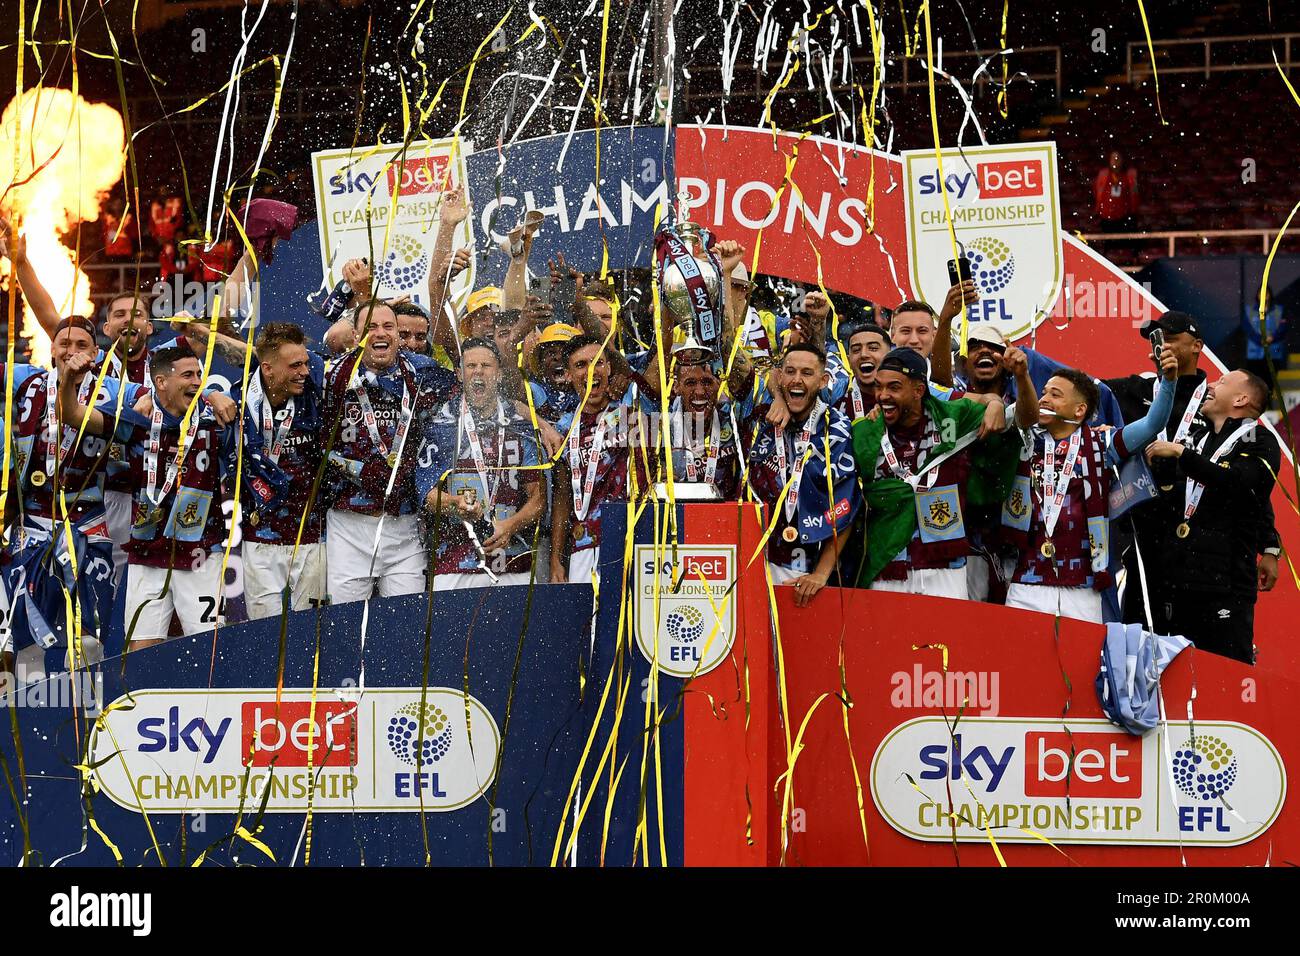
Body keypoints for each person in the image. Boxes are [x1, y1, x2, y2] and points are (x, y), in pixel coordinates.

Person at [58, 346, 283, 649]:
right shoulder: (138, 422)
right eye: (188, 375)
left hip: (201, 553)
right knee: (141, 651)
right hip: (147, 553)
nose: (196, 381)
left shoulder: (215, 421)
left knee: (209, 649)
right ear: (161, 382)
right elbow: (71, 415)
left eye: (199, 375)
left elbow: (261, 383)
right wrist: (69, 378)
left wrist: (215, 397)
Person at [1, 318, 148, 677]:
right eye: (64, 343)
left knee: (89, 637)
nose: (72, 351)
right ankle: (12, 719)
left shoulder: (116, 389)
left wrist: (212, 394)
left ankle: (87, 711)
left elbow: (162, 396)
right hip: (30, 522)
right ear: (51, 349)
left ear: (96, 353)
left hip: (86, 522)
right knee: (14, 638)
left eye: (82, 345)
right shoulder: (27, 379)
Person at [1000, 347, 1177, 622]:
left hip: (1081, 588)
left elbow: (1152, 423)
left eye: (1055, 395)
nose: (1045, 399)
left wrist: (1168, 381)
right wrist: (1021, 377)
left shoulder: (1101, 445)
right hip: (1025, 582)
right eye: (1044, 392)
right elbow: (1020, 413)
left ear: (1080, 409)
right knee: (1022, 664)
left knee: (1079, 665)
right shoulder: (1024, 437)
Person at [851, 348, 1019, 599]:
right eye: (879, 387)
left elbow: (1023, 418)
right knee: (888, 639)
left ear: (919, 390)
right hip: (888, 565)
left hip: (945, 565)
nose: (883, 395)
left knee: (947, 638)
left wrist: (995, 402)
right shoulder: (865, 432)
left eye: (894, 388)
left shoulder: (951, 417)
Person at [320, 301, 458, 604]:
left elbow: (474, 387)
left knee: (405, 625)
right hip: (348, 525)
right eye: (370, 327)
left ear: (397, 333)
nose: (380, 333)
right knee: (346, 624)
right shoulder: (332, 377)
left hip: (404, 524)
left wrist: (533, 417)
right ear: (355, 335)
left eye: (388, 326)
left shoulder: (424, 374)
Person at [1139, 370, 1279, 663]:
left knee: (1223, 679)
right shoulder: (1199, 437)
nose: (1211, 386)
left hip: (1224, 586)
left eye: (1222, 383)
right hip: (1178, 581)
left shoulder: (1261, 439)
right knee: (1176, 682)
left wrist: (1181, 455)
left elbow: (1245, 487)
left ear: (1241, 399)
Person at [417, 339, 544, 589]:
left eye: (486, 365)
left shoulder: (520, 425)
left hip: (514, 562)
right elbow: (426, 494)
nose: (478, 371)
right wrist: (455, 504)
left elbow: (539, 498)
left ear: (499, 374)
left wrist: (510, 525)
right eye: (471, 365)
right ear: (459, 373)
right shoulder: (441, 424)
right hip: (454, 565)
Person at [745, 343, 860, 604]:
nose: (797, 379)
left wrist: (819, 574)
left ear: (822, 381)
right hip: (755, 565)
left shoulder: (836, 429)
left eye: (807, 373)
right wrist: (775, 396)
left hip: (812, 570)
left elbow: (845, 507)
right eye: (790, 371)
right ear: (780, 376)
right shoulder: (760, 418)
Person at [234, 323, 329, 618]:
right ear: (268, 369)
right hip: (260, 538)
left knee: (313, 630)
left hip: (311, 536)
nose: (304, 371)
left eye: (305, 363)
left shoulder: (314, 394)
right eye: (295, 365)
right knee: (265, 633)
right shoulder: (238, 404)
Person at [551, 334, 642, 584]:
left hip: (628, 542)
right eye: (581, 365)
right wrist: (556, 559)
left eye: (598, 363)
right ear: (568, 374)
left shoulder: (631, 416)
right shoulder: (563, 429)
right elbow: (562, 496)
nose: (591, 371)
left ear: (609, 367)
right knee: (588, 623)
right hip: (582, 547)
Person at [833, 322, 889, 422]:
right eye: (856, 350)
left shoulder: (905, 397)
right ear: (849, 361)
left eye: (873, 348)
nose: (863, 355)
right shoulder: (836, 397)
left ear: (890, 356)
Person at [1242, 287, 1288, 392]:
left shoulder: (1278, 310)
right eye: (1261, 293)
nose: (1264, 295)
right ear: (1257, 295)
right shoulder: (1249, 311)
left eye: (1266, 293)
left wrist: (1272, 338)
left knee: (1270, 378)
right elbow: (1247, 328)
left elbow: (1283, 327)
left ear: (1270, 294)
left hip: (1273, 351)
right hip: (1254, 353)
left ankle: (1269, 399)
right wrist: (1260, 339)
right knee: (1255, 380)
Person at [1094, 150, 1139, 233]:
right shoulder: (1103, 174)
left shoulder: (1130, 175)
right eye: (1113, 158)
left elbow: (1134, 194)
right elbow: (1097, 193)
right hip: (1106, 217)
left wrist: (1133, 211)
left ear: (1122, 160)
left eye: (1117, 158)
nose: (1115, 161)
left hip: (1124, 216)